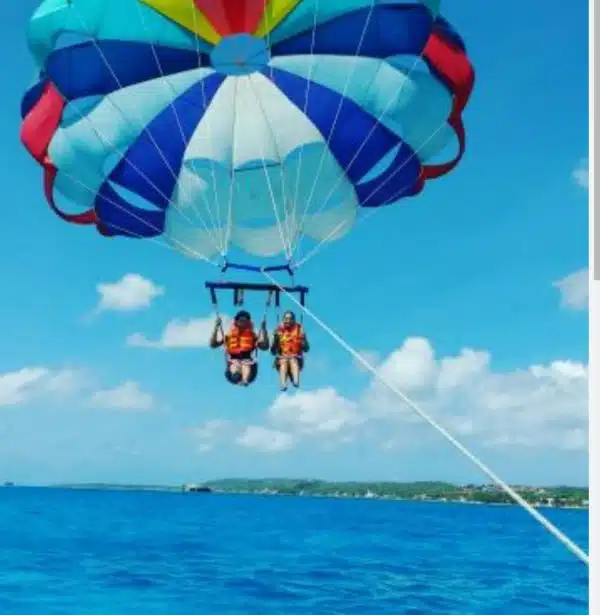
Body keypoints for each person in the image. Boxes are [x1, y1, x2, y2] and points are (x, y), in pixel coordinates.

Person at [210, 310, 269, 386]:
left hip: (247, 359)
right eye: (241, 320)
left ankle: (245, 380)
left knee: (246, 366)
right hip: (233, 360)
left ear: (248, 322)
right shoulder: (229, 336)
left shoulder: (252, 336)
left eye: (245, 321)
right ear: (236, 321)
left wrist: (264, 331)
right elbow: (213, 345)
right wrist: (216, 328)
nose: (242, 323)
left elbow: (265, 347)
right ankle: (236, 374)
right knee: (235, 366)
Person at [271, 311, 309, 391]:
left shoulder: (299, 330)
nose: (288, 321)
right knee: (284, 361)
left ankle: (296, 381)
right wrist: (276, 339)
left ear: (294, 320)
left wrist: (303, 339)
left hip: (296, 358)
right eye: (286, 319)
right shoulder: (279, 330)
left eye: (290, 319)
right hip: (282, 359)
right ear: (283, 320)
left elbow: (306, 349)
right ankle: (283, 384)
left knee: (293, 360)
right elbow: (273, 351)